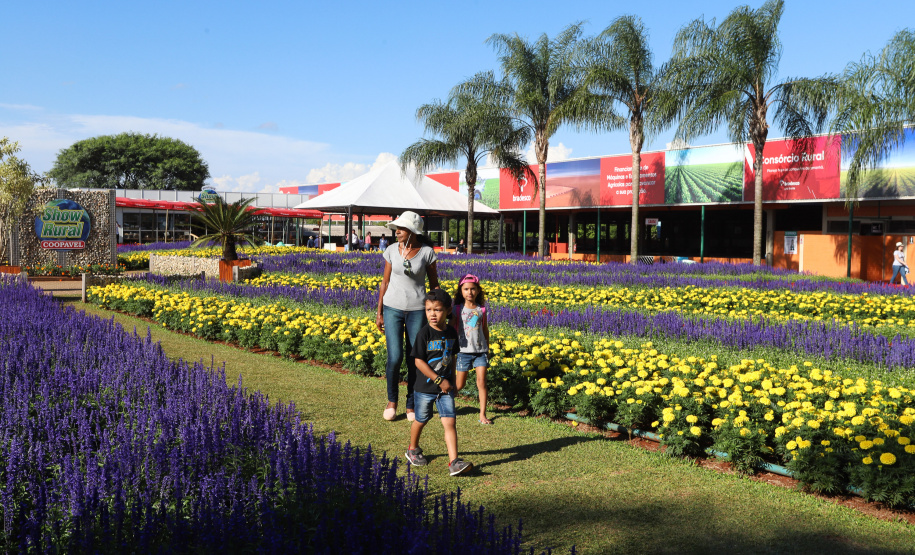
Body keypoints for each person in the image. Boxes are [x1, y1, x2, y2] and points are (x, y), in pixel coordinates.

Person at [376, 211, 439, 422]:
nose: (397, 232)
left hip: (417, 311)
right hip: (392, 308)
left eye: (401, 229)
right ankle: (392, 401)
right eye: (397, 229)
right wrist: (379, 313)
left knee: (415, 359)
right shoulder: (391, 250)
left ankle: (411, 404)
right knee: (395, 357)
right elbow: (384, 283)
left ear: (412, 232)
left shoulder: (427, 253)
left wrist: (438, 310)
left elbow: (434, 285)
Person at [404, 289, 473, 476]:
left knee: (450, 422)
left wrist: (452, 382)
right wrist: (438, 380)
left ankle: (454, 462)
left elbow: (451, 358)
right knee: (421, 419)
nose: (432, 314)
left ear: (448, 311)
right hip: (424, 388)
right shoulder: (424, 333)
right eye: (428, 310)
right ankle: (412, 449)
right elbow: (418, 361)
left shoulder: (451, 332)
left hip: (445, 389)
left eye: (438, 310)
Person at [452, 274, 492, 424]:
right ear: (461, 291)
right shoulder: (456, 309)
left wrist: (487, 347)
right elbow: (451, 329)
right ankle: (444, 403)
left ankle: (482, 415)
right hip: (463, 352)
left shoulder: (481, 309)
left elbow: (485, 329)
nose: (470, 292)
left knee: (481, 382)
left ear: (478, 291)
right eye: (466, 289)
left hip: (480, 351)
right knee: (459, 385)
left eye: (473, 289)